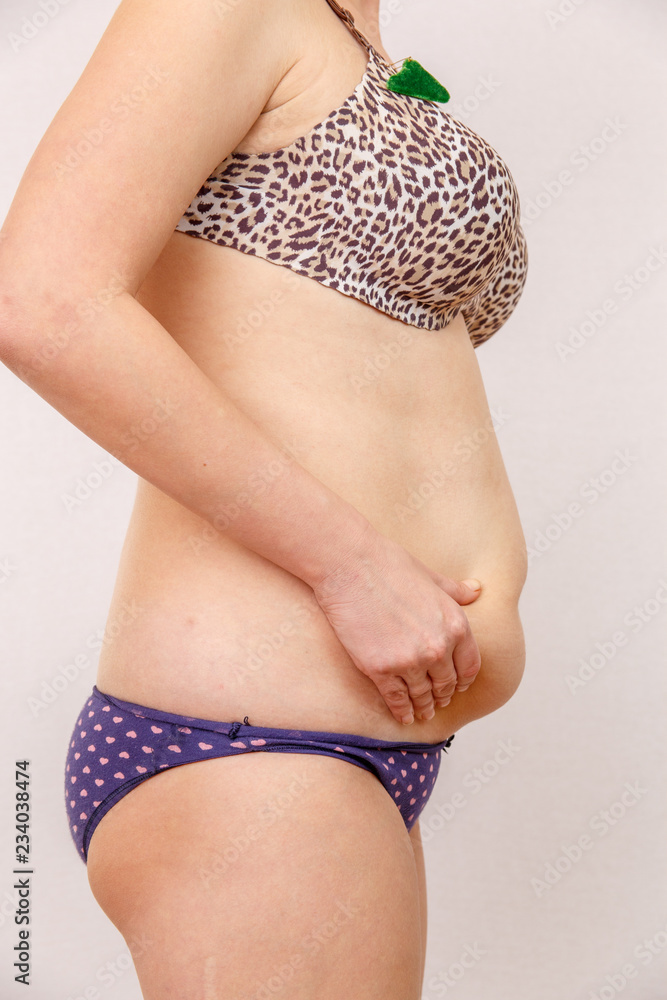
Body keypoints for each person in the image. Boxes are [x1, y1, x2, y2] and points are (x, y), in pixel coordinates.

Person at [0, 0, 529, 995]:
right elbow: (41, 300)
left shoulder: (359, 41)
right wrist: (354, 568)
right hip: (248, 741)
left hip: (335, 753)